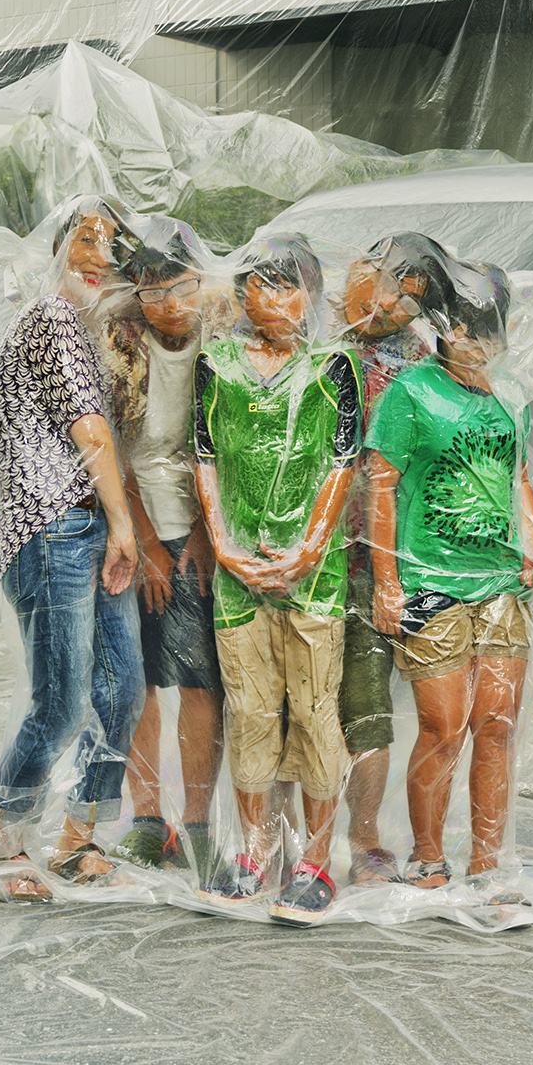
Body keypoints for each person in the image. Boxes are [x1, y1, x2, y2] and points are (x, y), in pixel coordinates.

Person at [364, 261, 533, 890]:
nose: (471, 341)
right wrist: (387, 584)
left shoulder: (511, 397)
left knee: (497, 726)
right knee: (444, 727)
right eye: (460, 328)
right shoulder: (412, 392)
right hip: (431, 583)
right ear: (440, 329)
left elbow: (517, 479)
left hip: (498, 583)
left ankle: (486, 861)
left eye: (485, 330)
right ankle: (427, 855)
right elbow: (381, 490)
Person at [193, 234, 361, 924]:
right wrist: (224, 547)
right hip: (237, 574)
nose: (275, 300)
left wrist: (309, 550)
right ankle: (255, 851)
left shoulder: (333, 366)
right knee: (252, 711)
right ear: (242, 296)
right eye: (261, 286)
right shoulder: (217, 363)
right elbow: (203, 455)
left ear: (314, 295)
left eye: (290, 286)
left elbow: (341, 462)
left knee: (317, 712)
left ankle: (317, 860)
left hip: (313, 578)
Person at [0, 197, 145, 902]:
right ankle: (8, 847)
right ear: (56, 247)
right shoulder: (50, 318)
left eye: (113, 245)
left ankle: (79, 838)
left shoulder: (81, 329)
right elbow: (89, 432)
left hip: (81, 532)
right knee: (62, 704)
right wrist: (125, 524)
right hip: (52, 531)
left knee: (123, 689)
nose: (98, 255)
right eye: (85, 237)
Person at [100, 217, 230, 882]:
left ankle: (201, 823)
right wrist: (144, 540)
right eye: (155, 295)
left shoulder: (223, 332)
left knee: (204, 681)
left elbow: (231, 441)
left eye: (182, 290)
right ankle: (148, 820)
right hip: (135, 522)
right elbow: (107, 445)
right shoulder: (121, 339)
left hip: (208, 524)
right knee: (142, 681)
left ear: (201, 282)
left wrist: (209, 532)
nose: (171, 307)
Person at [335, 234, 454, 884]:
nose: (384, 298)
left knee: (442, 712)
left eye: (402, 291)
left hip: (425, 559)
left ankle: (431, 843)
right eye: (375, 280)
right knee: (365, 703)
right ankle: (363, 839)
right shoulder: (325, 352)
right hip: (349, 560)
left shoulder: (430, 361)